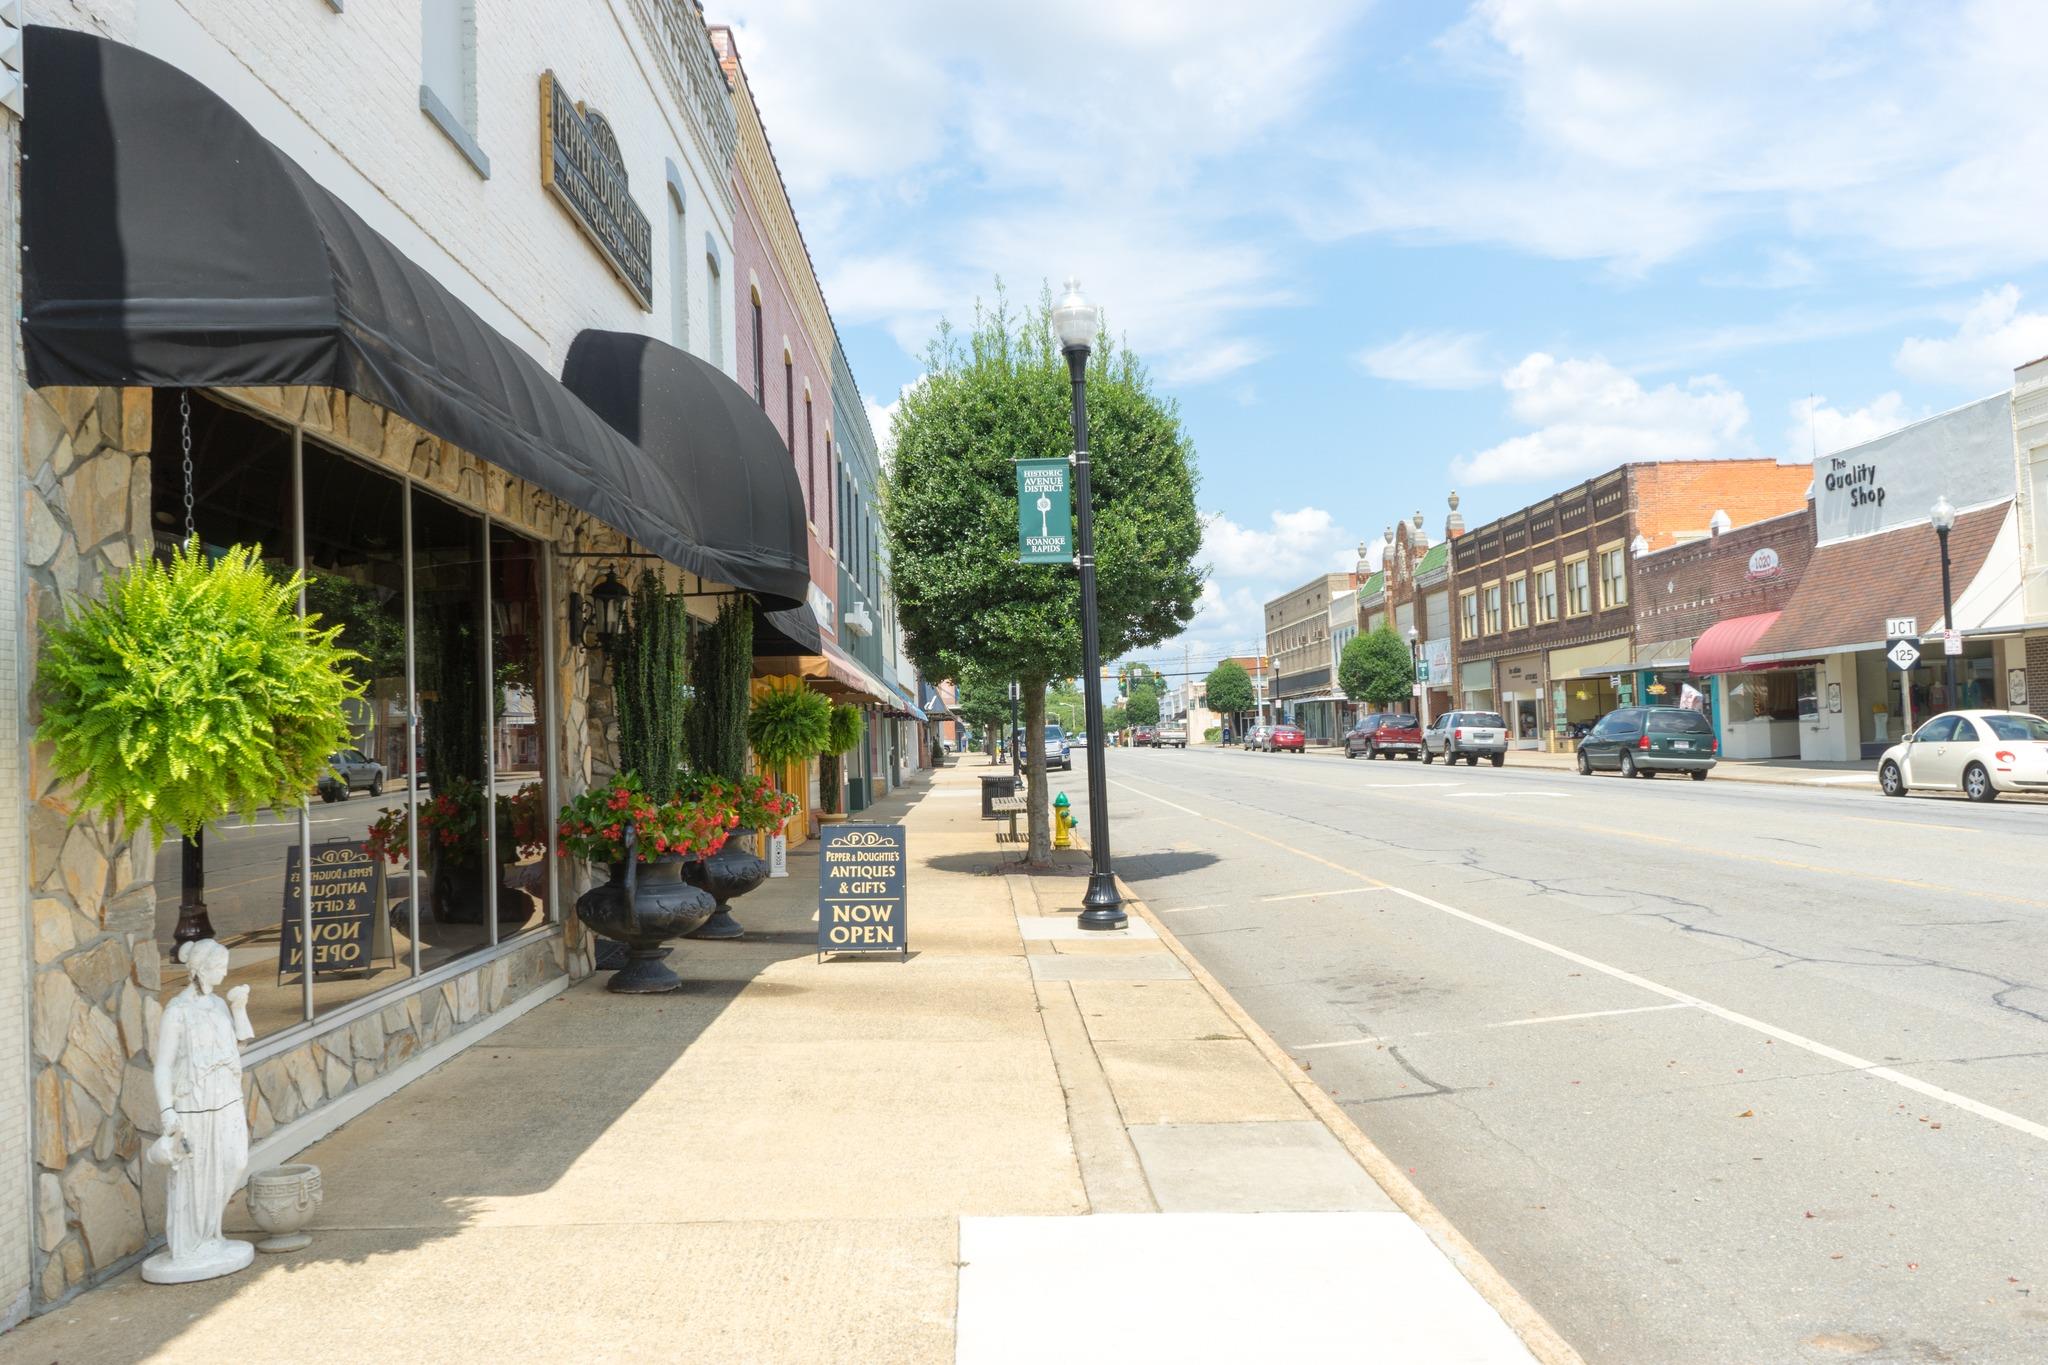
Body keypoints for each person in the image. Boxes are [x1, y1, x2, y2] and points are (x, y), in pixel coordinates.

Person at [143, 938, 256, 1284]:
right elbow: (162, 1066)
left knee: (233, 1161)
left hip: (226, 1099)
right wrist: (167, 1111)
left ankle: (212, 1233)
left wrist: (239, 1008)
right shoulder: (177, 1011)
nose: (224, 972)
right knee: (193, 1177)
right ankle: (192, 1244)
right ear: (202, 969)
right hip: (194, 1104)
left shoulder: (220, 1005)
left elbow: (242, 1040)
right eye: (220, 966)